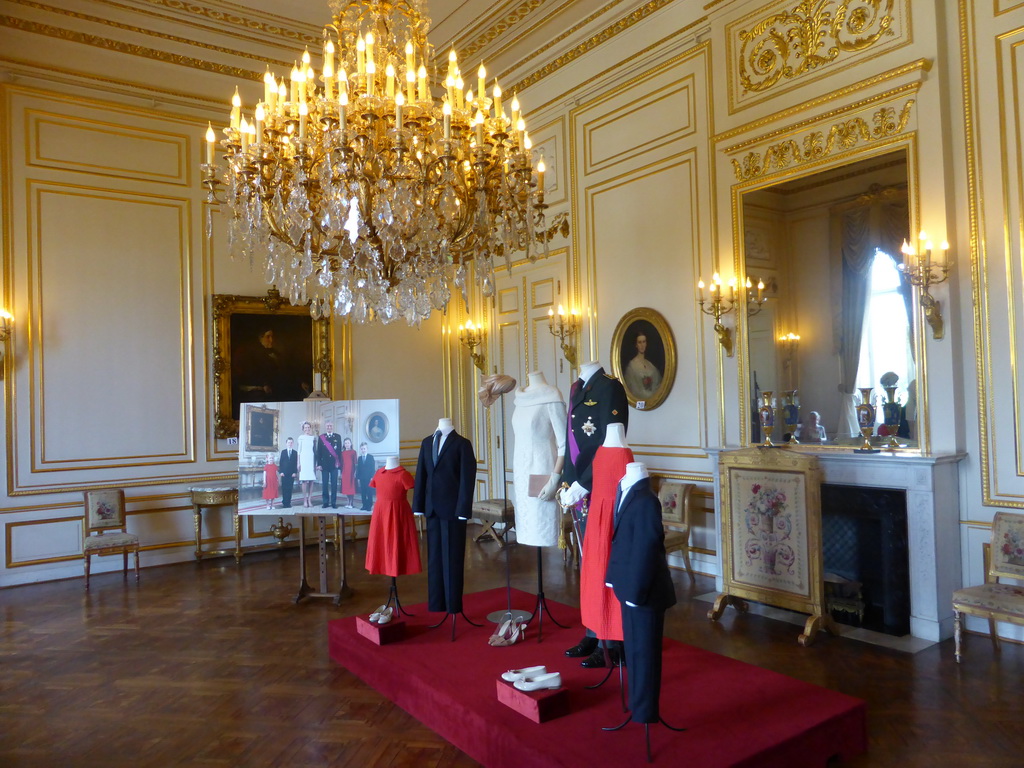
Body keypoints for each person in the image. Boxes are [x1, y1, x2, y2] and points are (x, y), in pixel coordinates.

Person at [559, 360, 629, 660]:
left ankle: (612, 642)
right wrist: (567, 481)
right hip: (579, 486)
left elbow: (609, 440)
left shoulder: (610, 387)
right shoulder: (577, 387)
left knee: (605, 563)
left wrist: (585, 483)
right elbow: (569, 439)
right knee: (589, 566)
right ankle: (593, 630)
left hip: (599, 483)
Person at [605, 461, 677, 724]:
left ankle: (646, 714)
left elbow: (647, 549)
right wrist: (613, 577)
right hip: (629, 585)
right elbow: (621, 539)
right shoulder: (624, 487)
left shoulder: (647, 500)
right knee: (634, 651)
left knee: (645, 655)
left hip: (644, 591)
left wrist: (635, 592)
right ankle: (638, 707)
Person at [577, 423, 632, 668]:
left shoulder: (622, 452)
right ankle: (594, 633)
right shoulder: (600, 447)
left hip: (611, 522)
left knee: (607, 580)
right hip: (597, 522)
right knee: (593, 577)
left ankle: (610, 644)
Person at [412, 417, 477, 615]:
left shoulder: (462, 444)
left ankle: (453, 606)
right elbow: (421, 475)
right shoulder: (426, 442)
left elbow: (468, 477)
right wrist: (418, 505)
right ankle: (436, 604)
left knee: (453, 559)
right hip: (431, 509)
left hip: (453, 511)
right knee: (434, 559)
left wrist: (464, 510)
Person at [511, 372, 566, 547]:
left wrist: (554, 479)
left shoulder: (551, 396)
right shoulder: (520, 398)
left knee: (542, 526)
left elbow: (565, 443)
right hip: (520, 470)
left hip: (543, 468)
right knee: (526, 525)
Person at [365, 456, 421, 577]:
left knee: (397, 539)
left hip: (398, 511)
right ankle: (383, 566)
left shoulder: (403, 474)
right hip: (380, 512)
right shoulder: (379, 473)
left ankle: (397, 567)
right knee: (381, 540)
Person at [232, 328, 309, 414]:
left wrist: (300, 382)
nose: (271, 340)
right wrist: (264, 383)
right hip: (261, 390)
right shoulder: (251, 354)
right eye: (268, 337)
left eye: (272, 337)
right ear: (260, 338)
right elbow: (251, 372)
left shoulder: (275, 354)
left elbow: (287, 370)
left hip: (278, 387)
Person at [623, 331, 662, 400]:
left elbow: (658, 385)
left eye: (644, 342)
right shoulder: (631, 366)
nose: (642, 345)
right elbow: (633, 389)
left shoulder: (651, 365)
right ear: (636, 345)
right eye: (639, 342)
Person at [315, 422, 343, 508]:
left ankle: (334, 502)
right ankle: (325, 502)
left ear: (333, 427)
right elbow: (318, 452)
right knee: (325, 484)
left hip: (334, 464)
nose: (329, 427)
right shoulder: (321, 437)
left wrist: (339, 464)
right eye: (327, 426)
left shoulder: (337, 437)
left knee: (334, 484)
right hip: (324, 465)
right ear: (325, 427)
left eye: (330, 426)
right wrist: (319, 464)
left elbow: (339, 452)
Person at [296, 421, 317, 508]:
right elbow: (299, 451)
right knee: (304, 481)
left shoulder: (313, 438)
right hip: (303, 460)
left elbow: (315, 451)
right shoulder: (301, 437)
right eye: (305, 428)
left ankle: (309, 499)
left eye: (308, 427)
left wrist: (315, 463)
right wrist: (298, 463)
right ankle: (304, 500)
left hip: (311, 460)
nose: (307, 429)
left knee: (311, 480)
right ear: (303, 429)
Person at [355, 442, 377, 511]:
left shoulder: (370, 457)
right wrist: (358, 478)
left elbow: (372, 468)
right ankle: (364, 505)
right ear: (360, 450)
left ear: (367, 449)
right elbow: (358, 468)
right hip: (362, 478)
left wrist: (371, 477)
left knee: (369, 492)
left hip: (369, 478)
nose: (363, 450)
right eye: (362, 449)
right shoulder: (359, 458)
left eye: (364, 449)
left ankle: (369, 506)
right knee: (363, 492)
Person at [278, 438, 298, 508]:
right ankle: (284, 502)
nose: (290, 444)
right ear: (286, 443)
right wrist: (281, 472)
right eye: (289, 442)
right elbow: (281, 462)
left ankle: (288, 502)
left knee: (290, 488)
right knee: (284, 488)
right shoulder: (283, 452)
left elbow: (296, 463)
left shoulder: (295, 453)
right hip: (284, 473)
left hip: (291, 474)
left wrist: (295, 472)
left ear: (293, 444)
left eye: (291, 443)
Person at [340, 436, 357, 507]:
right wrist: (341, 473)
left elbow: (355, 463)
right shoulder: (342, 453)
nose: (347, 444)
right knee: (346, 487)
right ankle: (348, 502)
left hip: (351, 471)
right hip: (345, 471)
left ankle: (351, 503)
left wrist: (355, 472)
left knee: (351, 487)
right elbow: (341, 463)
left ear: (351, 444)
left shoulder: (353, 452)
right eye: (345, 443)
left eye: (348, 443)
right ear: (344, 444)